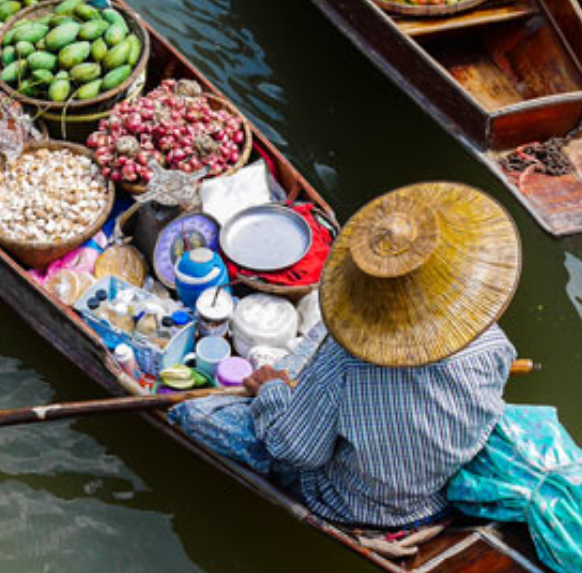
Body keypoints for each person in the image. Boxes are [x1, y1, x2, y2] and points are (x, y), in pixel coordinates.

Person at [175, 182, 520, 530]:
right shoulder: (491, 341)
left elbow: (296, 451)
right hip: (438, 490)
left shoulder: (344, 362)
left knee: (193, 411)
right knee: (324, 334)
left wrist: (272, 392)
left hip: (354, 503)